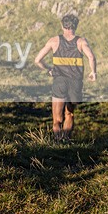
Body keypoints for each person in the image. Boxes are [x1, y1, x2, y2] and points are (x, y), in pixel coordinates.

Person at [34, 14, 97, 142]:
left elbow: (37, 60)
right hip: (75, 82)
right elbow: (91, 57)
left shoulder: (54, 41)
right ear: (76, 26)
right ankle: (66, 140)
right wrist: (93, 72)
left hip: (60, 82)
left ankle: (58, 143)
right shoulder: (81, 41)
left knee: (57, 120)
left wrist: (48, 69)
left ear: (62, 26)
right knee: (70, 113)